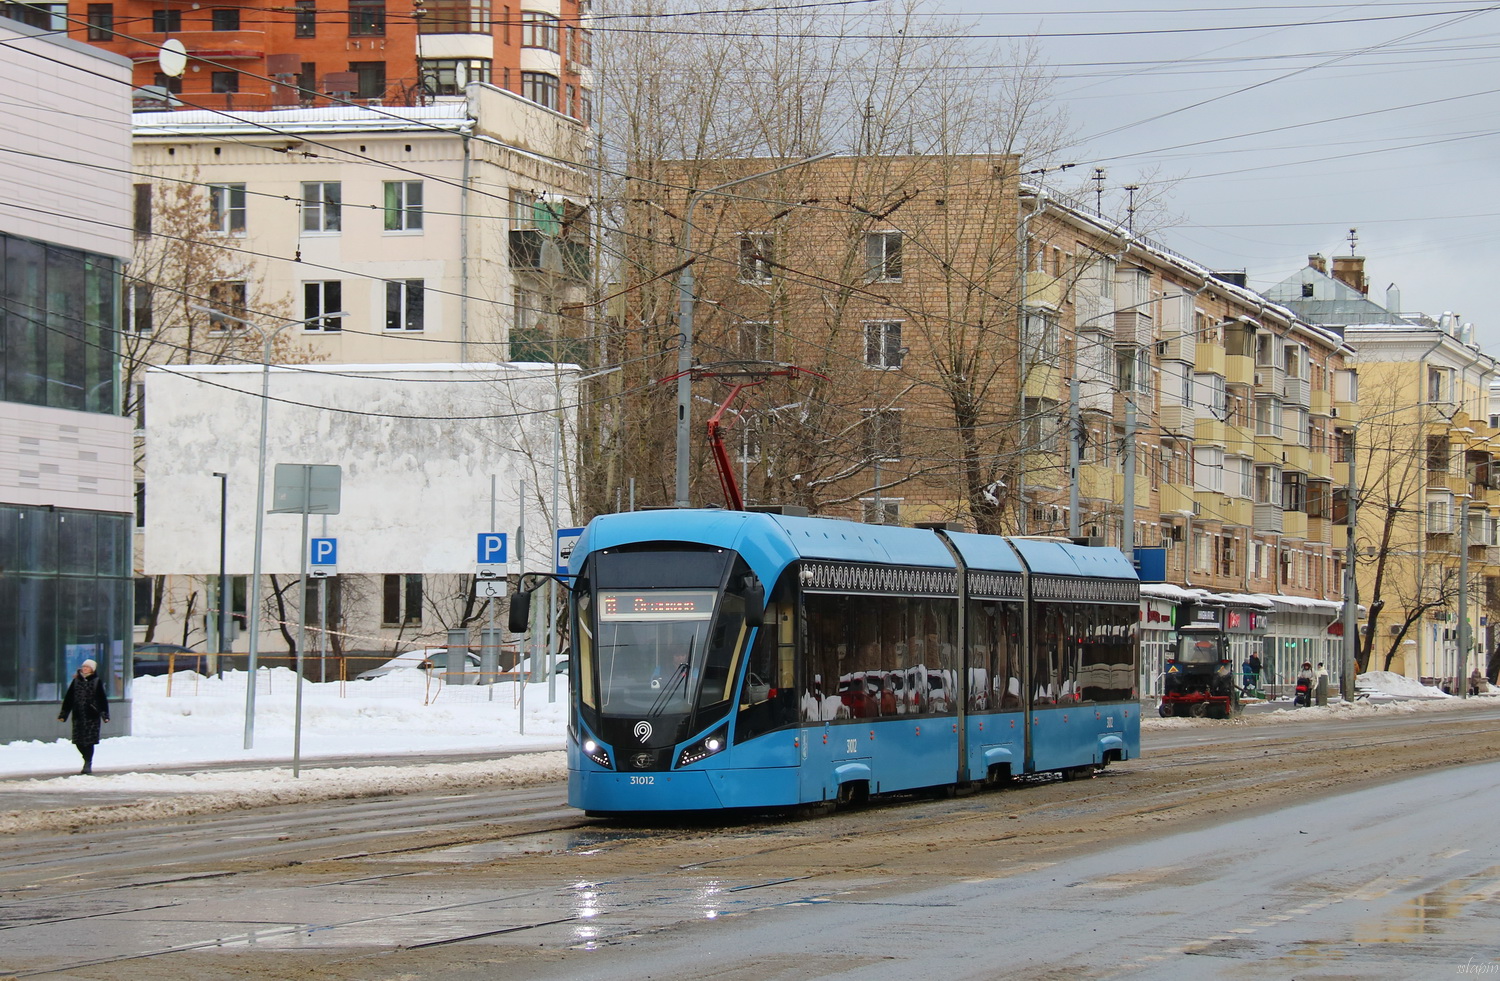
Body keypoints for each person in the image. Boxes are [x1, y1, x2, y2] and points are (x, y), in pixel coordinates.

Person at [58, 658, 110, 774]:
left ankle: (88, 762)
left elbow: (102, 699)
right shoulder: (76, 681)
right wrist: (64, 714)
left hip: (92, 716)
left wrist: (105, 714)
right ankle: (85, 758)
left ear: (92, 669)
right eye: (84, 666)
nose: (84, 668)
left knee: (89, 741)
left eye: (87, 667)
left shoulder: (96, 681)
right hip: (78, 715)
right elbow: (69, 698)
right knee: (78, 741)